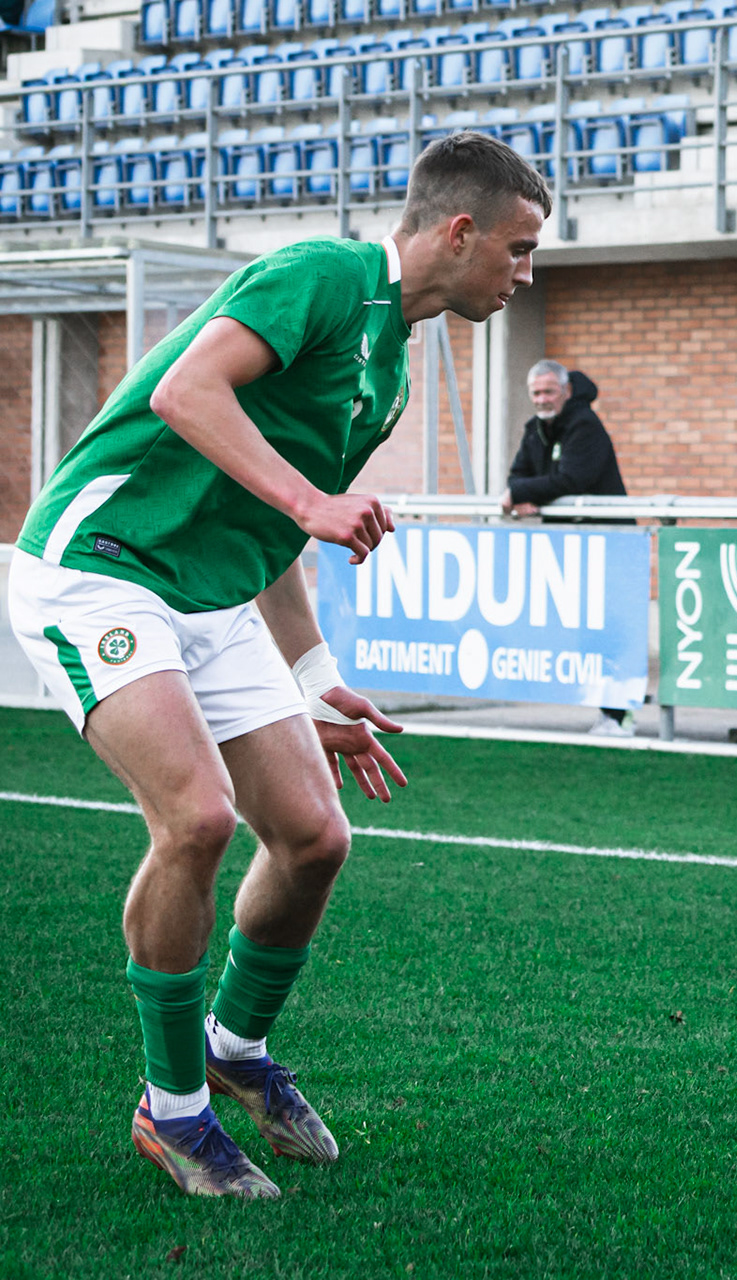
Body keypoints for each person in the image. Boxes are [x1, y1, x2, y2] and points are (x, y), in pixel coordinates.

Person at [6, 132, 551, 1199]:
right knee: (199, 818)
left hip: (210, 597)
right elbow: (186, 394)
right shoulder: (320, 277)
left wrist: (309, 673)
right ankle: (171, 1115)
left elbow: (274, 518)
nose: (525, 273)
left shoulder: (389, 366)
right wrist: (314, 502)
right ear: (460, 231)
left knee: (312, 836)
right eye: (520, 251)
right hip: (99, 569)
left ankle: (235, 1049)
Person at [501, 358, 633, 735]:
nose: (542, 399)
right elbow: (518, 474)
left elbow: (574, 478)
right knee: (586, 631)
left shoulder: (584, 425)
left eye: (548, 392)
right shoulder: (535, 429)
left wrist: (525, 494)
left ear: (566, 392)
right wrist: (529, 492)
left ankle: (619, 715)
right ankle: (609, 711)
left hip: (609, 545)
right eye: (536, 393)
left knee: (612, 630)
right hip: (571, 548)